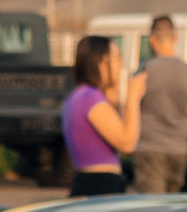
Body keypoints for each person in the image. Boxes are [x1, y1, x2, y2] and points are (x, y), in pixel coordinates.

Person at [131, 15, 187, 194]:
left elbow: (130, 107)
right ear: (175, 39)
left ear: (152, 40)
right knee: (171, 209)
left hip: (150, 148)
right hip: (179, 150)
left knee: (152, 208)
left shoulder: (145, 70)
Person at [59, 33, 140, 192]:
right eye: (117, 58)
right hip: (100, 185)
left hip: (90, 182)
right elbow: (127, 144)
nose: (122, 65)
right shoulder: (90, 98)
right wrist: (133, 99)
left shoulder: (80, 95)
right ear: (102, 62)